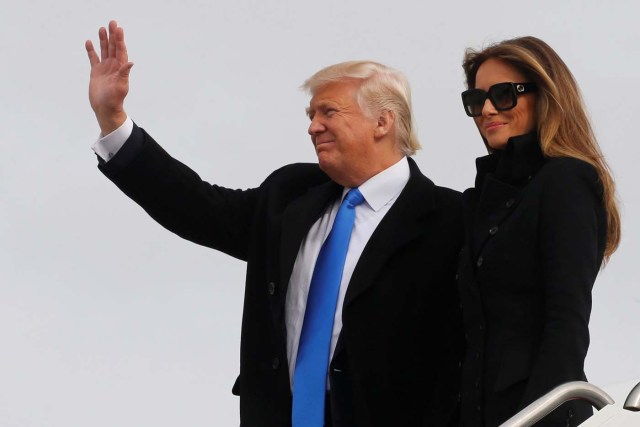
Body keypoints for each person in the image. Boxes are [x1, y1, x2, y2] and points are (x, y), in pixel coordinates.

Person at [85, 21, 465, 427]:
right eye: (311, 114)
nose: (313, 126)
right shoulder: (290, 196)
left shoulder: (451, 220)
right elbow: (197, 206)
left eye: (328, 111)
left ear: (383, 122)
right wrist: (114, 120)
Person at [456, 36, 621, 427]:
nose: (488, 109)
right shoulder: (481, 199)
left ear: (545, 95)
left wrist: (533, 419)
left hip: (537, 412)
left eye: (504, 94)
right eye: (477, 100)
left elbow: (566, 320)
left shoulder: (566, 180)